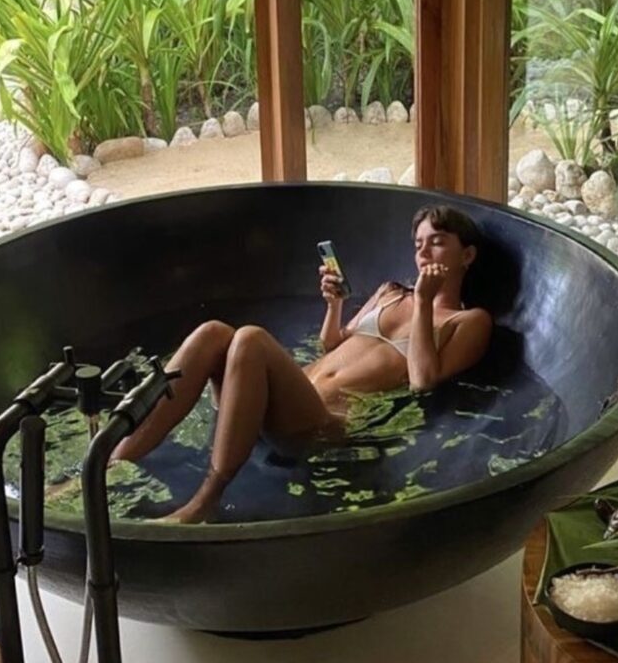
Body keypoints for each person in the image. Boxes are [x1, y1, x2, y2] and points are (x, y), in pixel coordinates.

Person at [111, 204, 493, 523]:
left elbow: (423, 381)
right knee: (211, 332)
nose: (423, 253)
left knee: (250, 339)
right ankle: (113, 461)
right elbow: (333, 343)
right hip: (286, 393)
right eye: (418, 244)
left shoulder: (469, 321)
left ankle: (204, 501)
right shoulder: (390, 292)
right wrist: (335, 305)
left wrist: (425, 302)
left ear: (467, 255)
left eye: (437, 242)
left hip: (322, 422)